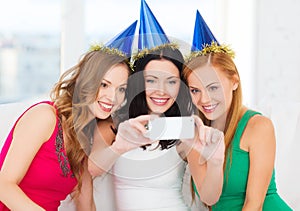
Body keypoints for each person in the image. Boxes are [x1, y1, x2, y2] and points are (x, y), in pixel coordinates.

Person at [88, 1, 225, 210]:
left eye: (171, 82)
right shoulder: (113, 125)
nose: (161, 90)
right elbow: (91, 169)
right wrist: (119, 147)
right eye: (152, 80)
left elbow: (209, 197)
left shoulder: (183, 129)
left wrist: (215, 162)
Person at [0, 21, 137, 211]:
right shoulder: (45, 116)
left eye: (121, 89)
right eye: (104, 85)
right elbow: (4, 186)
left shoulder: (86, 138)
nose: (113, 97)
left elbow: (86, 204)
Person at [183, 10, 293, 211]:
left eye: (213, 87)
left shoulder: (258, 126)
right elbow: (209, 199)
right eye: (195, 90)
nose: (204, 99)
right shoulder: (194, 135)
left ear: (234, 81)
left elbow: (255, 204)